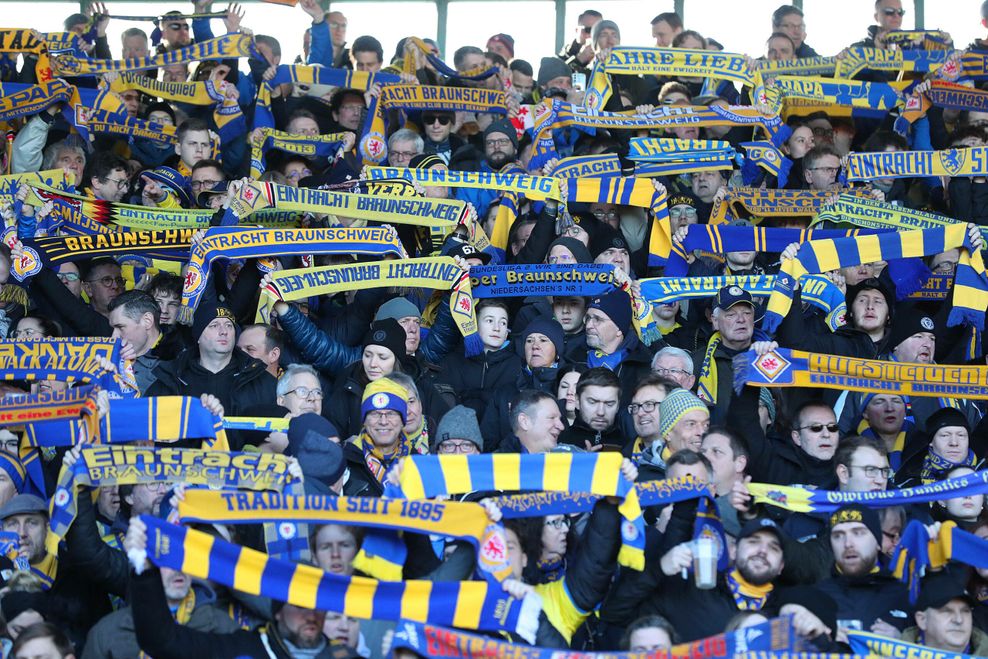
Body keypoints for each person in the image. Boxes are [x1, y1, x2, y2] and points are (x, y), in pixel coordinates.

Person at [903, 570, 988, 654]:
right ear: (922, 620)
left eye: (965, 611)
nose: (958, 620)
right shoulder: (892, 654)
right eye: (946, 611)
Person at [558, 367, 623, 450]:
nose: (601, 412)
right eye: (592, 402)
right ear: (577, 401)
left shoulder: (630, 446)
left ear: (618, 406)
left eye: (609, 404)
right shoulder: (559, 444)